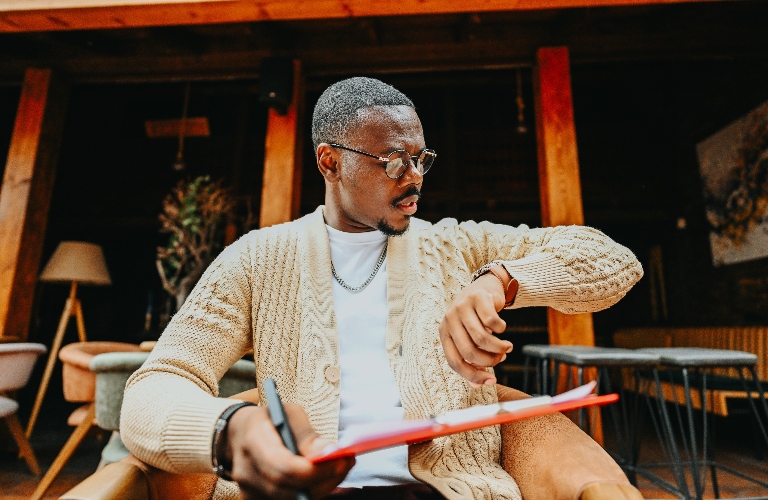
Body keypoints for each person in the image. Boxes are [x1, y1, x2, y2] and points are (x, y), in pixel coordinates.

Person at [121, 77, 644, 500]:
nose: (414, 176)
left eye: (422, 159)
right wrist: (229, 430)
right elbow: (154, 387)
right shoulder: (258, 257)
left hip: (446, 492)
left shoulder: (454, 245)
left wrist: (501, 280)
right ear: (330, 162)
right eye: (394, 160)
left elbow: (615, 262)